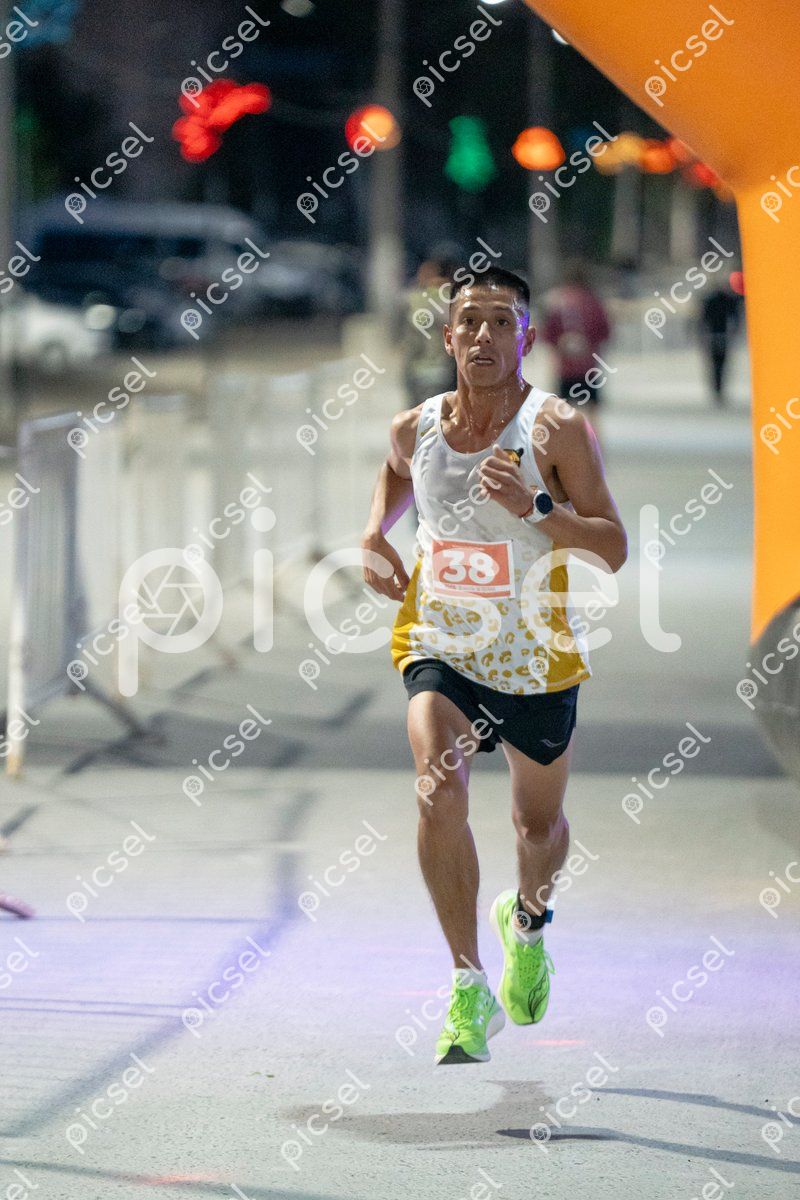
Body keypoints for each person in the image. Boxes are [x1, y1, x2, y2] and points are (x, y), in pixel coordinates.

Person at [361, 266, 627, 1064]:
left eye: (500, 322)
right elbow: (396, 472)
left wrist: (537, 508)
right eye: (469, 321)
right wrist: (374, 534)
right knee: (437, 787)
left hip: (535, 656)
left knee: (536, 828)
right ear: (447, 337)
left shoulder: (557, 430)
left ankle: (529, 923)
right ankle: (467, 981)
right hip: (439, 642)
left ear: (526, 338)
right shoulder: (415, 426)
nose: (483, 335)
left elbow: (612, 547)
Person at [541, 260, 612, 409]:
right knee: (591, 409)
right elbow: (605, 332)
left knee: (562, 411)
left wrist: (562, 345)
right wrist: (588, 345)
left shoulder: (556, 301)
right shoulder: (593, 301)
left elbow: (548, 334)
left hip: (565, 368)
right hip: (588, 367)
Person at [401, 258, 458, 409]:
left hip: (417, 369)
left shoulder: (413, 298)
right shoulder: (453, 298)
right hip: (442, 369)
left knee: (419, 416)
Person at [700, 280, 742, 404]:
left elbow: (703, 320)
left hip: (714, 336)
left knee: (716, 365)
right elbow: (735, 318)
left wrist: (702, 335)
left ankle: (718, 389)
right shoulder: (727, 300)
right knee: (721, 364)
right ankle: (719, 389)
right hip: (722, 336)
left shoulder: (711, 300)